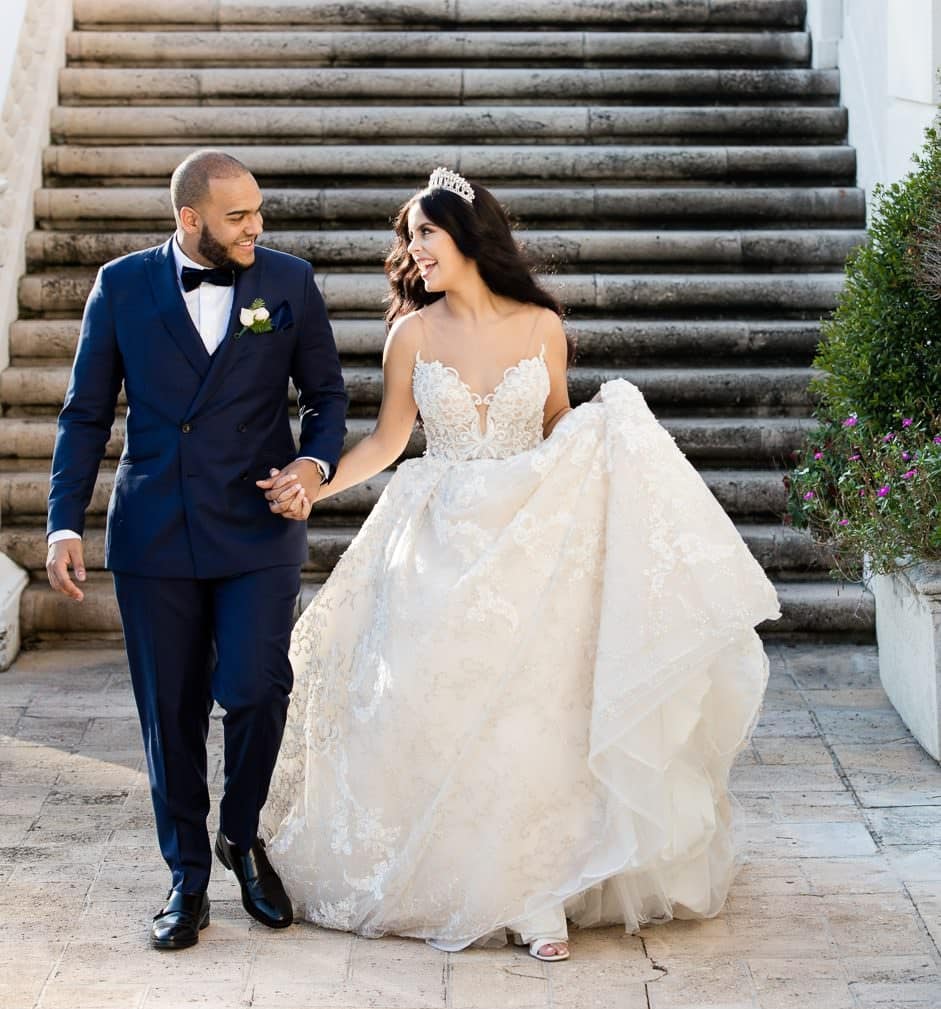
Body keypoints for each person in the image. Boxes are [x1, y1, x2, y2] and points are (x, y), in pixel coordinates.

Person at [260, 168, 781, 961]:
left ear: (468, 238)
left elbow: (554, 423)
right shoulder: (411, 334)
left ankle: (535, 894)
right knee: (433, 702)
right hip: (434, 537)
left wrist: (608, 440)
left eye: (424, 234)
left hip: (528, 534)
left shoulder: (542, 325)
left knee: (533, 712)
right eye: (408, 238)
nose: (412, 250)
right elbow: (389, 440)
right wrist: (319, 479)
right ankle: (449, 875)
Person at [46, 150, 348, 950]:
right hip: (155, 530)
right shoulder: (122, 284)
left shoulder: (287, 282)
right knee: (169, 712)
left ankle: (240, 836)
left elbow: (326, 396)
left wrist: (312, 467)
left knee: (256, 686)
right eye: (238, 216)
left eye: (258, 211)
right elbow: (84, 413)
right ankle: (185, 876)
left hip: (257, 524)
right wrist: (64, 521)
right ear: (190, 220)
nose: (257, 227)